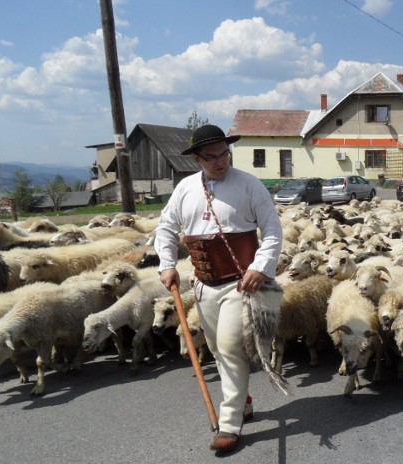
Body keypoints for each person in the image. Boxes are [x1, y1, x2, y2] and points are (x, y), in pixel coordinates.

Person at [154, 125, 283, 453]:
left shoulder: (249, 185)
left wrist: (259, 267)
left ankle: (229, 422)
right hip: (203, 286)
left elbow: (271, 230)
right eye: (211, 157)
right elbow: (166, 227)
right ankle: (245, 401)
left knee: (228, 346)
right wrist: (167, 264)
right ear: (196, 158)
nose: (220, 162)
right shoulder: (185, 189)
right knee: (217, 349)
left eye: (224, 154)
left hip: (240, 284)